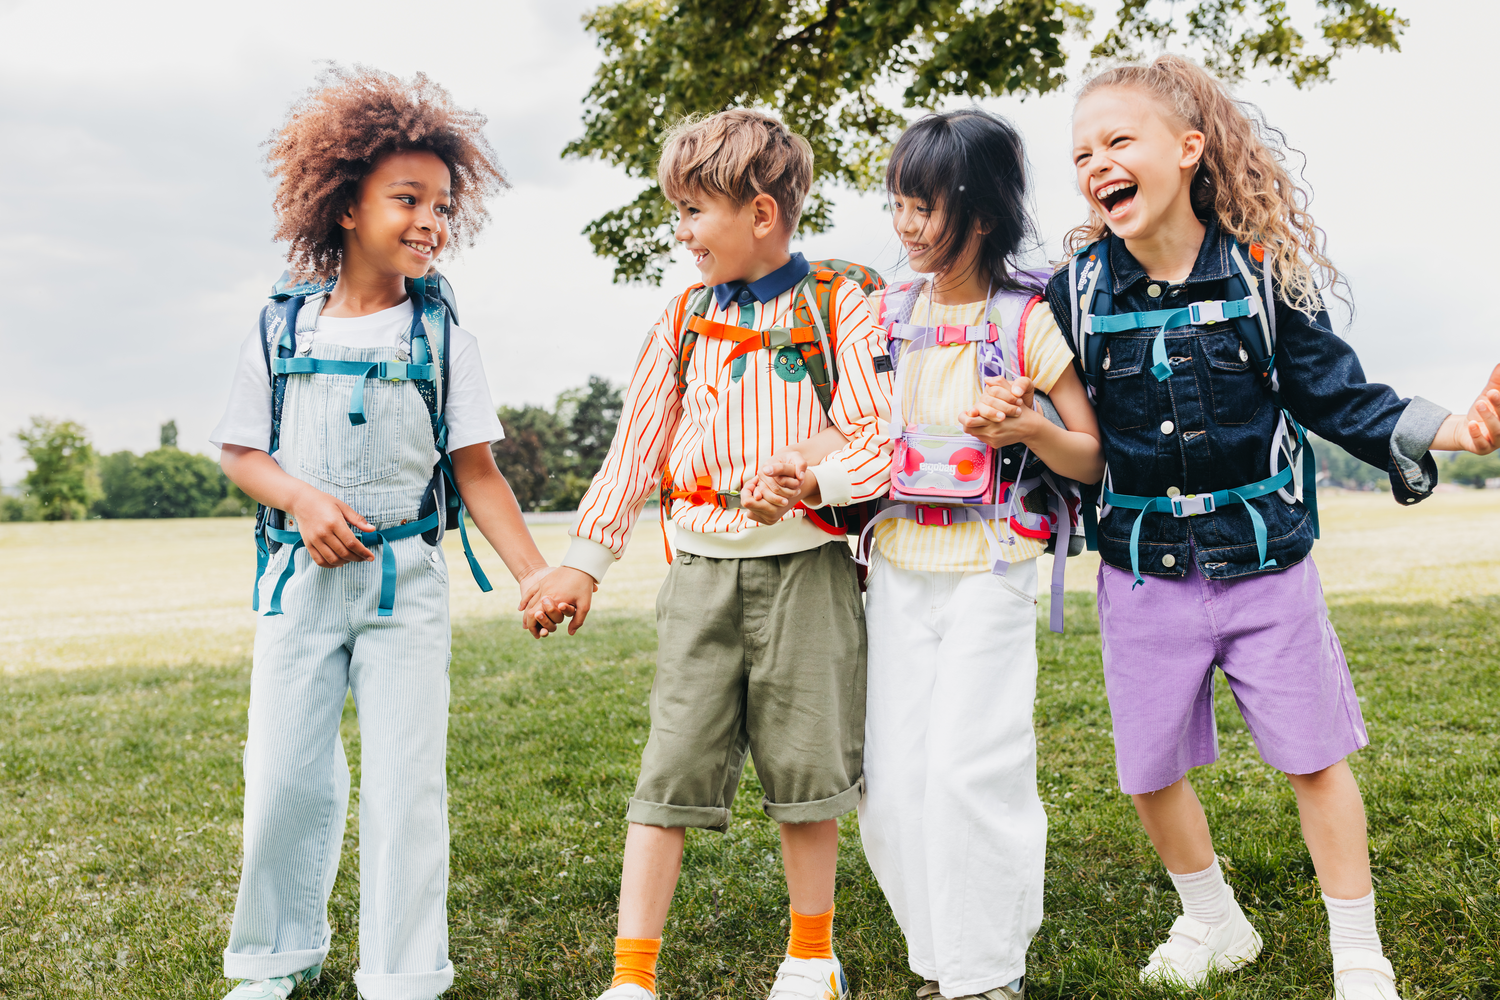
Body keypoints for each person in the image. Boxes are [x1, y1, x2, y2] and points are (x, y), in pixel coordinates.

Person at [1046, 54, 1500, 999]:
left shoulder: (1262, 274)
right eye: (1082, 152)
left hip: (1265, 564)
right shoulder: (1076, 293)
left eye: (1119, 141)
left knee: (1314, 758)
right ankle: (1213, 922)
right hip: (1141, 572)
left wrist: (1454, 430)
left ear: (1188, 148)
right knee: (1147, 768)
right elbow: (1066, 428)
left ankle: (1357, 951)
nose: (1097, 164)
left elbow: (1338, 392)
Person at [210, 67, 573, 1000]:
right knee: (284, 776)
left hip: (404, 585)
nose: (430, 221)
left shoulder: (447, 338)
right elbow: (243, 453)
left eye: (442, 204)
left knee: (406, 786)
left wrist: (534, 575)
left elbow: (476, 471)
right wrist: (299, 500)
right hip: (298, 586)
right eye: (407, 199)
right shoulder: (275, 325)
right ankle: (271, 958)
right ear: (344, 204)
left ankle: (403, 974)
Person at [527, 108, 894, 1000]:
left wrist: (813, 482)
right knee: (669, 769)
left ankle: (812, 960)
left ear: (761, 214)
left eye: (694, 212)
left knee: (809, 775)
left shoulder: (844, 301)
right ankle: (632, 977)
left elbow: (880, 433)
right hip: (699, 574)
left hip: (810, 570)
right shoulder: (684, 317)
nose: (683, 234)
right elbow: (636, 446)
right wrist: (583, 560)